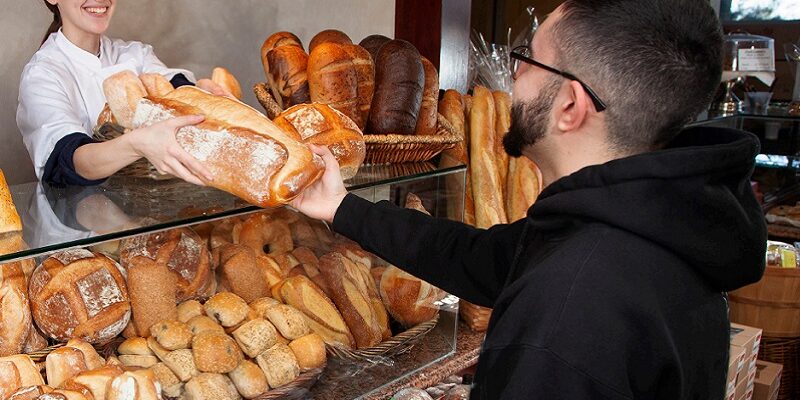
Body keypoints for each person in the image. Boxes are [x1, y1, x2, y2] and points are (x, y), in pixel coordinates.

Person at [291, 0, 767, 398]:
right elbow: (482, 257)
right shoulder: (658, 221)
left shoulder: (569, 310)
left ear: (570, 106)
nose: (512, 79)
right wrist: (341, 207)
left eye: (527, 61)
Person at [17, 0, 228, 186]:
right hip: (83, 221)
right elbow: (70, 160)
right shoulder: (41, 75)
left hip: (150, 211)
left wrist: (199, 92)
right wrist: (136, 144)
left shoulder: (135, 54)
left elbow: (173, 89)